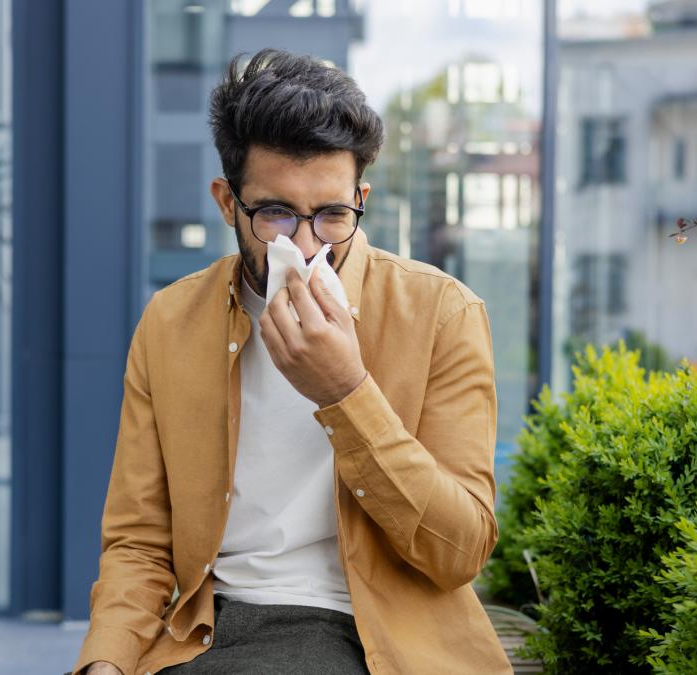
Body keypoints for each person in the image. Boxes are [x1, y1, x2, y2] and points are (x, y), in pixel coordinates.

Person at [71, 48, 511, 675]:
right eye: (275, 214)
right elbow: (139, 542)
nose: (305, 248)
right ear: (228, 204)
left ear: (361, 200)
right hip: (208, 631)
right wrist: (106, 662)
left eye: (332, 215)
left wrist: (345, 391)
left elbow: (459, 551)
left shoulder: (442, 314)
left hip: (368, 634)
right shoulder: (171, 323)